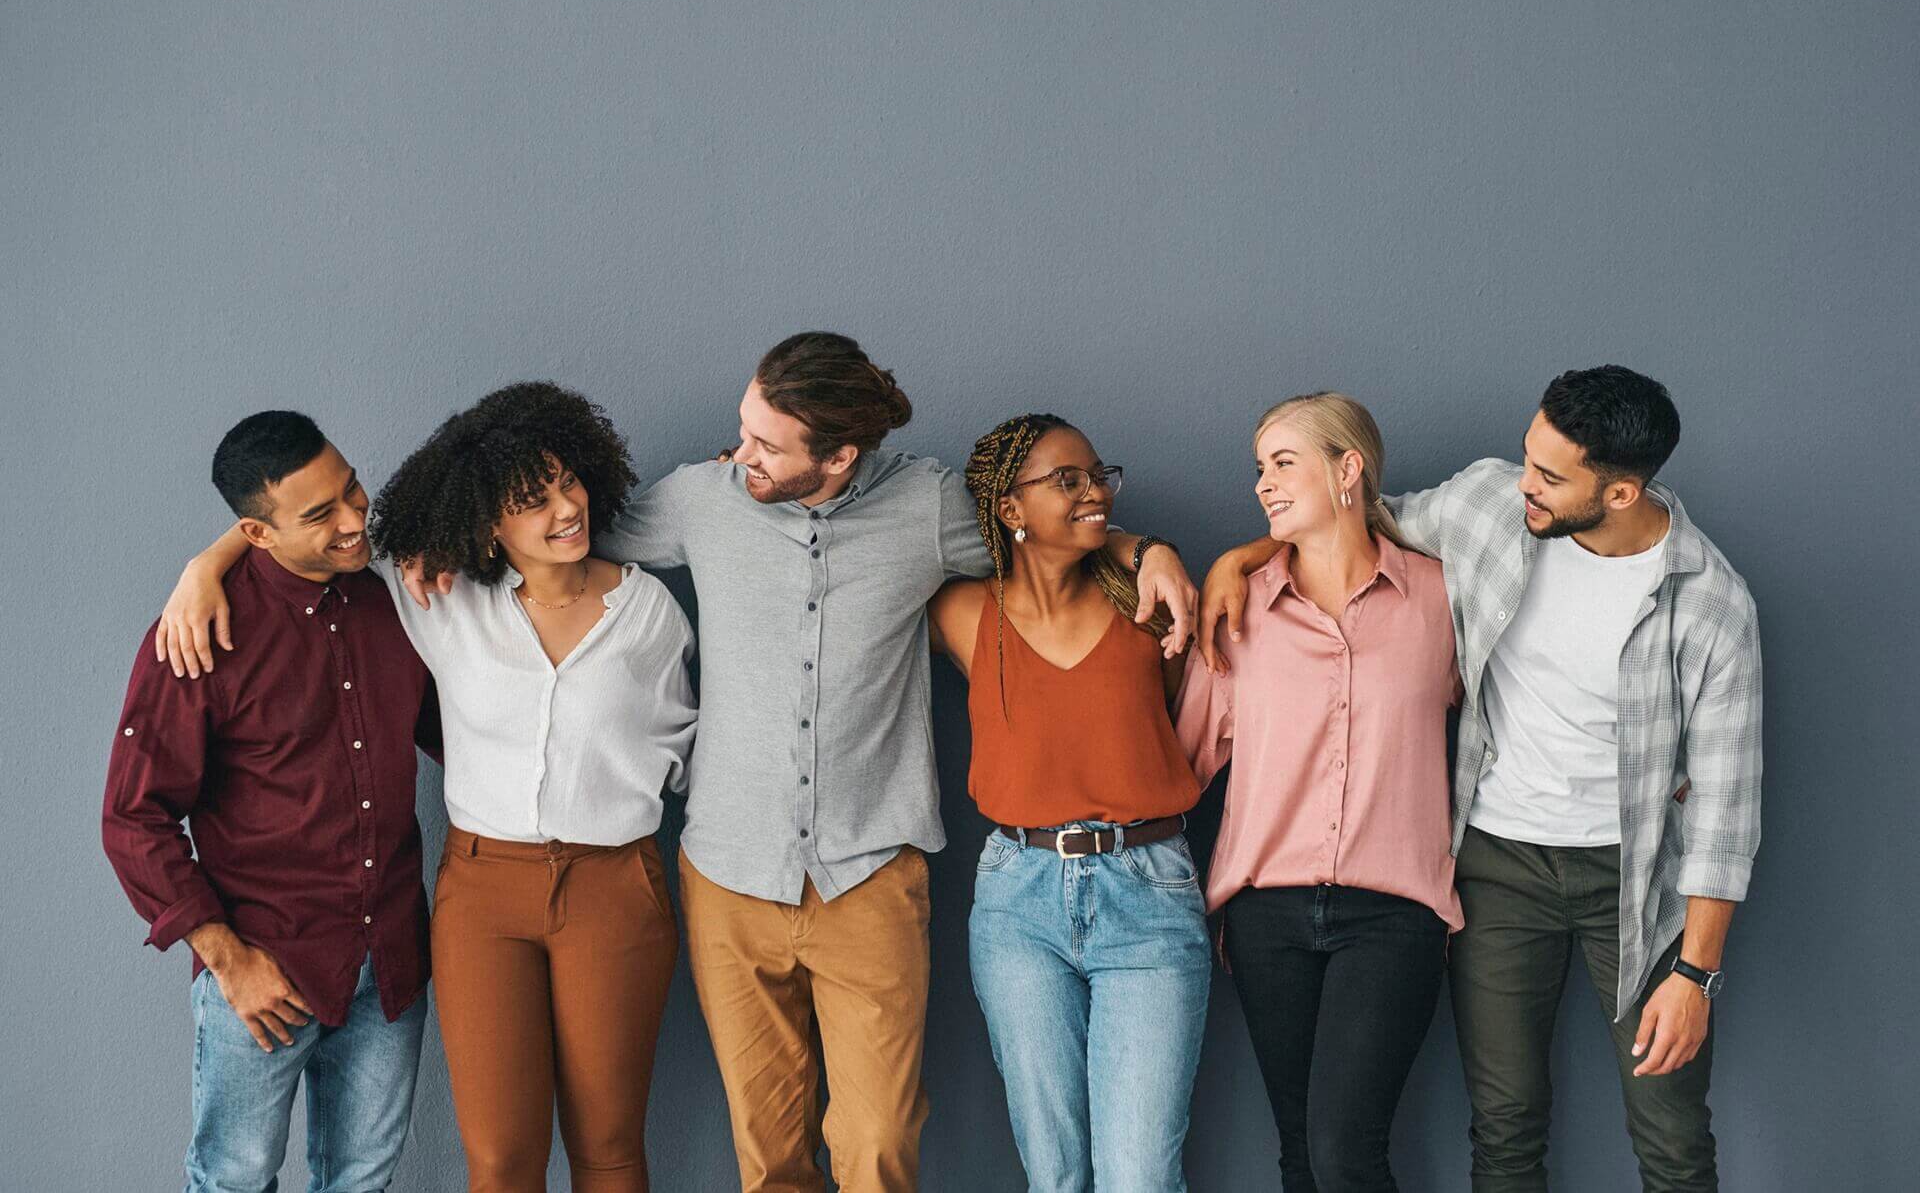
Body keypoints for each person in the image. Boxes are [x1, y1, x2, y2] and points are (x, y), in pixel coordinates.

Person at [381, 333, 1200, 1192]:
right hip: (730, 878)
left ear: (840, 454)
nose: (741, 454)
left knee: (878, 1142)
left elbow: (1043, 522)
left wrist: (1145, 551)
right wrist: (445, 540)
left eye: (766, 443)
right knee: (768, 1155)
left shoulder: (928, 508)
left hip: (871, 875)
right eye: (744, 428)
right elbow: (549, 529)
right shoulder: (703, 498)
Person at [1200, 367, 1763, 1192]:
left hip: (1633, 879)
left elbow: (1724, 808)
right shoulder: (1490, 506)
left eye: (1549, 475)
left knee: (1672, 1133)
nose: (1523, 484)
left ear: (1619, 493)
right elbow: (1354, 517)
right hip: (1498, 866)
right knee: (1504, 1128)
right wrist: (1238, 558)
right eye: (1527, 457)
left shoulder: (1710, 605)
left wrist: (1694, 975)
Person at [157, 383, 696, 1192]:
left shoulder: (648, 612)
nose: (564, 510)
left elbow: (681, 741)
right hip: (482, 892)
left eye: (566, 483)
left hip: (614, 881)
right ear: (485, 521)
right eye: (529, 499)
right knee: (500, 1160)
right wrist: (208, 563)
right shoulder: (442, 600)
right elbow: (300, 539)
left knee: (610, 1146)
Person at [104, 411, 438, 1193]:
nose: (356, 519)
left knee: (363, 1181)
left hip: (389, 960)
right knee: (232, 1179)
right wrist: (229, 960)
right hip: (265, 970)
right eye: (321, 514)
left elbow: (460, 733)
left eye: (352, 487)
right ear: (255, 531)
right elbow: (133, 818)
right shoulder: (199, 635)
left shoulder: (394, 594)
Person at [1176, 393, 1461, 1192]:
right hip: (1266, 913)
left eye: (1283, 461)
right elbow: (1181, 762)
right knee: (1301, 1154)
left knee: (1344, 1151)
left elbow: (1511, 722)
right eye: (1258, 467)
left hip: (1394, 913)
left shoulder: (1441, 600)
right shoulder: (1238, 613)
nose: (1264, 483)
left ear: (1349, 468)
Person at [922, 413, 1209, 1192]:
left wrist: (1148, 549)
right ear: (1010, 509)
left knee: (1140, 1176)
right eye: (1068, 480)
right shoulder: (961, 610)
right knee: (1055, 1176)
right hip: (1019, 896)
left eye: (1098, 476)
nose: (1096, 493)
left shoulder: (1147, 604)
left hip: (1149, 890)